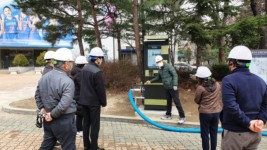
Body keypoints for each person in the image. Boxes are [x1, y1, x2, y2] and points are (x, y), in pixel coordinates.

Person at [221, 45, 267, 150]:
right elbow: (265, 104)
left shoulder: (228, 80)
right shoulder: (261, 81)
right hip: (255, 134)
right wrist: (261, 119)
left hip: (235, 133)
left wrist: (247, 123)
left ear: (233, 62)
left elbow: (231, 106)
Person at [35, 48, 77, 150]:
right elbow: (64, 104)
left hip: (48, 120)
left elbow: (37, 95)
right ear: (66, 64)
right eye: (71, 62)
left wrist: (43, 109)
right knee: (69, 147)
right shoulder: (67, 81)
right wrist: (52, 114)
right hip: (64, 120)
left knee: (47, 146)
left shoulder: (44, 78)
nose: (72, 65)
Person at [145, 55, 186, 124]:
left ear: (162, 60)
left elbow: (175, 75)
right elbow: (158, 77)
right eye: (157, 62)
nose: (158, 63)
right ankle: (168, 115)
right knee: (168, 102)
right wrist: (150, 81)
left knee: (177, 102)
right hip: (167, 87)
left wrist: (175, 85)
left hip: (173, 87)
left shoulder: (168, 66)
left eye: (159, 61)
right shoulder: (160, 69)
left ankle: (182, 116)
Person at [80, 47, 107, 150]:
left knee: (86, 124)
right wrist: (103, 103)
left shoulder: (84, 69)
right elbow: (100, 90)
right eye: (101, 58)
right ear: (97, 59)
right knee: (95, 125)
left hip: (83, 101)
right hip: (94, 103)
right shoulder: (97, 72)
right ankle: (94, 147)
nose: (102, 60)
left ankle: (87, 146)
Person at [194, 66, 222, 150]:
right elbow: (219, 96)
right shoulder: (217, 84)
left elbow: (196, 100)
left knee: (205, 134)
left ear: (200, 78)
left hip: (205, 114)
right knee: (214, 133)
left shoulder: (200, 88)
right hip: (216, 113)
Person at [70, 56, 88, 137]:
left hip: (76, 96)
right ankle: (79, 130)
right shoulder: (80, 74)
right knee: (81, 114)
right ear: (83, 64)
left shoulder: (76, 72)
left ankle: (78, 129)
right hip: (80, 96)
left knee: (79, 114)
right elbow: (83, 86)